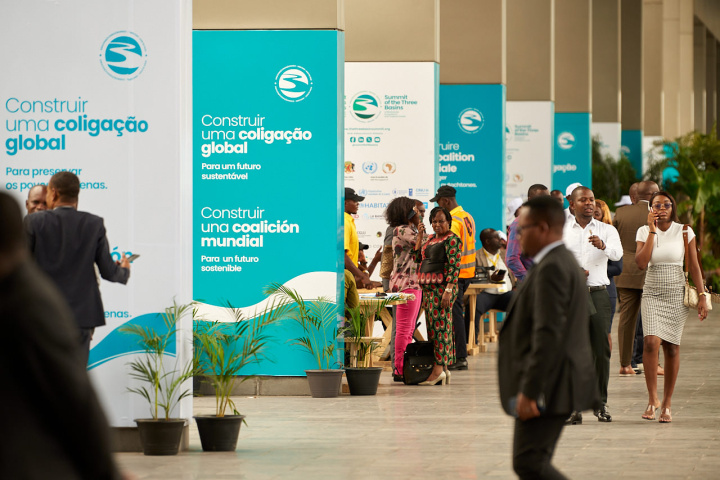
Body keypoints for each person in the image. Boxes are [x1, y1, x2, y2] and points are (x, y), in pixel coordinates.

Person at [0, 192, 125, 480]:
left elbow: (74, 398)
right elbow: (77, 400)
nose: (40, 208)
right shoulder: (30, 300)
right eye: (35, 203)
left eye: (44, 202)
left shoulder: (29, 298)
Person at [498, 196, 598, 479]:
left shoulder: (552, 267)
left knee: (529, 462)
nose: (517, 236)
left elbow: (548, 334)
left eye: (521, 229)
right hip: (555, 382)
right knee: (530, 462)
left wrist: (530, 391)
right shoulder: (557, 261)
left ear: (542, 228)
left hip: (551, 385)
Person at [24, 172, 131, 364]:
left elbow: (21, 267)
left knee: (42, 375)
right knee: (75, 374)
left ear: (54, 193)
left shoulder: (34, 222)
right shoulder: (95, 224)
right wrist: (124, 270)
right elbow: (109, 272)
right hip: (81, 319)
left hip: (42, 315)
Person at [635, 192, 709, 423]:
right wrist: (652, 230)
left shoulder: (684, 231)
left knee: (672, 348)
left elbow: (694, 266)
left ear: (672, 207)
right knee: (650, 342)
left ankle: (667, 403)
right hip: (652, 291)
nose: (662, 208)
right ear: (651, 209)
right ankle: (652, 399)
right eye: (657, 205)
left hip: (676, 292)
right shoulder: (643, 231)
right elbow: (641, 263)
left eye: (666, 205)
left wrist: (702, 295)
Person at [563, 186, 622, 423]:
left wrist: (603, 246)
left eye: (592, 200)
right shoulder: (562, 230)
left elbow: (618, 255)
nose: (589, 204)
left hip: (598, 294)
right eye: (583, 200)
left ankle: (600, 403)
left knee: (600, 350)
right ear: (572, 204)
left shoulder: (606, 230)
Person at [614, 181, 660, 376]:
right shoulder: (657, 213)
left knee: (626, 319)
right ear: (652, 194)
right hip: (652, 270)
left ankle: (625, 364)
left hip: (626, 272)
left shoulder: (621, 213)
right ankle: (654, 364)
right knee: (654, 319)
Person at [412, 206, 461, 385]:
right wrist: (419, 237)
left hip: (442, 290)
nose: (437, 224)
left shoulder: (453, 239)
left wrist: (448, 290)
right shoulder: (430, 238)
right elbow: (417, 258)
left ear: (449, 222)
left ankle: (438, 370)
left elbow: (454, 266)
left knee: (440, 329)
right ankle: (444, 369)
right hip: (429, 289)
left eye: (441, 221)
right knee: (434, 329)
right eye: (434, 221)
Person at [431, 185, 476, 371]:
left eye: (439, 204)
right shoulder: (467, 216)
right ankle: (457, 355)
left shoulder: (454, 221)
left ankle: (460, 357)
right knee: (456, 313)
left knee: (454, 315)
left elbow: (451, 250)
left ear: (446, 201)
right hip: (467, 273)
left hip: (456, 274)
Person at [385, 197, 423, 381]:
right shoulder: (403, 230)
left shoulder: (410, 230)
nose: (418, 213)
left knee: (408, 330)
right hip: (406, 284)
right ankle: (399, 369)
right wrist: (420, 227)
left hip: (412, 283)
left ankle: (403, 367)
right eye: (414, 210)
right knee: (404, 329)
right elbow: (424, 245)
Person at [470, 228, 515, 343]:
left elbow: (515, 272)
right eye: (496, 238)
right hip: (485, 294)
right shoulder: (476, 256)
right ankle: (471, 341)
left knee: (521, 299)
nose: (500, 240)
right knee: (474, 305)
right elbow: (472, 279)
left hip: (505, 294)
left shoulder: (505, 255)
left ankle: (517, 339)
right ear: (487, 241)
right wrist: (490, 280)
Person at [595, 199, 623, 353]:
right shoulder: (580, 233)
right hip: (585, 289)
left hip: (606, 290)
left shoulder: (610, 234)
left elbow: (617, 268)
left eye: (597, 214)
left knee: (605, 332)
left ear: (604, 215)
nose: (593, 217)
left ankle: (604, 364)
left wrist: (595, 269)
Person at [507, 184, 549, 283]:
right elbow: (512, 259)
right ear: (530, 200)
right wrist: (529, 280)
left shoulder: (546, 221)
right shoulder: (519, 223)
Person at [344, 187, 372, 289]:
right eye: (355, 201)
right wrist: (362, 276)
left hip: (348, 275)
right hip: (344, 276)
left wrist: (363, 272)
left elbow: (350, 256)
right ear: (345, 203)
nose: (358, 203)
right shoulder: (344, 222)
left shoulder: (349, 221)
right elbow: (341, 255)